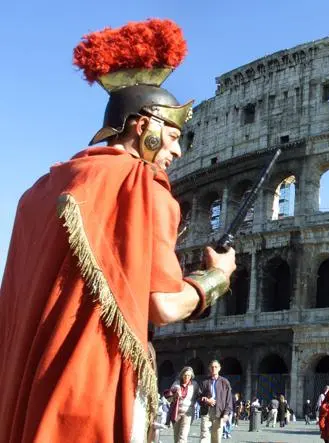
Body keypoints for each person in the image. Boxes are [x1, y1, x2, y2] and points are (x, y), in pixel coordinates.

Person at [0, 19, 236, 443]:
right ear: (143, 126)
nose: (178, 150)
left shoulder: (35, 194)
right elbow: (162, 306)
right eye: (173, 135)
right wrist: (216, 278)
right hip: (94, 390)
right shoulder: (140, 185)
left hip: (25, 392)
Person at [198, 360, 233, 443]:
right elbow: (198, 396)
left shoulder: (225, 382)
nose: (214, 368)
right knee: (204, 435)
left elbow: (229, 399)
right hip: (206, 411)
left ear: (219, 368)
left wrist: (226, 413)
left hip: (219, 411)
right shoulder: (204, 382)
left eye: (216, 367)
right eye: (212, 367)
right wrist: (206, 400)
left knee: (216, 437)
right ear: (209, 368)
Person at [170, 367, 199, 443]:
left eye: (189, 375)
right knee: (176, 437)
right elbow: (169, 397)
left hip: (188, 412)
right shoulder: (176, 383)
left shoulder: (194, 385)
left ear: (191, 376)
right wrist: (175, 394)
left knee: (183, 436)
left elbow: (199, 395)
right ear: (182, 375)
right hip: (176, 412)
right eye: (185, 375)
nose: (187, 377)